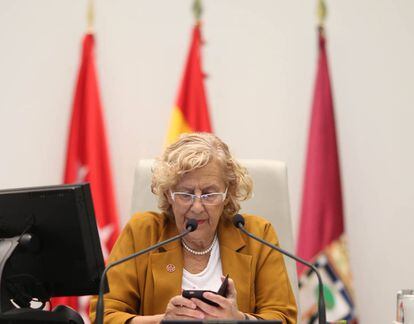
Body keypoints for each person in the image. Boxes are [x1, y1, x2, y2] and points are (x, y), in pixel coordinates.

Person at [89, 133, 297, 323]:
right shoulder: (142, 233)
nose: (197, 207)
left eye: (209, 194)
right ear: (169, 194)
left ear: (227, 194)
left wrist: (239, 320)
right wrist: (162, 321)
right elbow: (104, 315)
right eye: (185, 194)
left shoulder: (257, 235)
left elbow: (283, 318)